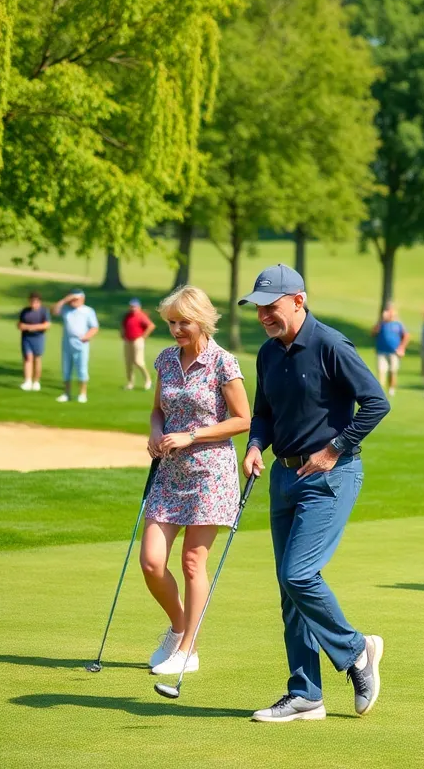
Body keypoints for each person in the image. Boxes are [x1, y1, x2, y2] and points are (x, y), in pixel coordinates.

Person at [239, 264, 391, 723]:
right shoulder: (268, 353)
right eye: (259, 308)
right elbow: (263, 412)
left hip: (330, 476)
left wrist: (334, 448)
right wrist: (252, 446)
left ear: (299, 300)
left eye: (272, 306)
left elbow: (377, 402)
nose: (264, 314)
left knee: (299, 574)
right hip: (284, 477)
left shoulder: (330, 344)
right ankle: (306, 693)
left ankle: (356, 651)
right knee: (290, 589)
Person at [141, 286, 250, 677]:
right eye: (171, 322)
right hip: (170, 472)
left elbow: (243, 419)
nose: (175, 329)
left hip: (211, 474)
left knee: (191, 562)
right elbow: (158, 409)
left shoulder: (224, 363)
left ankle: (189, 650)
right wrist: (156, 432)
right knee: (152, 562)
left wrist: (191, 435)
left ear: (201, 320)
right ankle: (178, 627)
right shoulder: (166, 359)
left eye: (183, 322)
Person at [53, 289, 98, 403]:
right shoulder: (66, 309)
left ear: (82, 299)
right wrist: (65, 300)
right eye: (72, 299)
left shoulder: (88, 311)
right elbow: (54, 310)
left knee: (82, 369)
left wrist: (87, 336)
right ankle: (66, 393)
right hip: (67, 342)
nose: (74, 302)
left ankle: (82, 393)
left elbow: (94, 327)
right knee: (66, 369)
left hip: (81, 343)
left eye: (76, 299)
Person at [371, 302, 409, 398]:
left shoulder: (398, 324)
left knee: (392, 371)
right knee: (381, 370)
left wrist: (401, 348)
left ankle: (391, 389)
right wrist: (380, 322)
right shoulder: (382, 323)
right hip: (381, 351)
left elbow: (406, 336)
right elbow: (373, 333)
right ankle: (380, 391)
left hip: (394, 352)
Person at [17, 291, 51, 392]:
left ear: (39, 302)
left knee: (37, 359)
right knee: (28, 358)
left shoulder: (44, 311)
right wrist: (24, 327)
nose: (33, 304)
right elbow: (20, 325)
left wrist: (33, 327)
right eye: (31, 302)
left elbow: (47, 325)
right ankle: (27, 381)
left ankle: (36, 381)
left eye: (35, 302)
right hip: (26, 337)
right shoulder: (25, 311)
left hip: (38, 338)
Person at [122, 298, 157, 391]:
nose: (133, 308)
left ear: (139, 307)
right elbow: (124, 326)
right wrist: (122, 333)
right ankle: (130, 383)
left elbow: (151, 326)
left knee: (138, 361)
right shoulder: (127, 316)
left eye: (135, 306)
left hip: (137, 340)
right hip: (127, 340)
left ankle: (148, 380)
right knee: (128, 363)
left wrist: (143, 336)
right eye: (131, 306)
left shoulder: (141, 316)